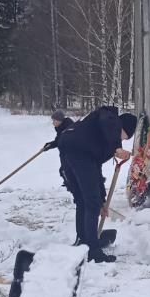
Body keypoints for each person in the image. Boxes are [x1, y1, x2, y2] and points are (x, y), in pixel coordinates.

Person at [58, 106, 136, 263]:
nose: (122, 140)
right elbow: (108, 122)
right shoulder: (109, 117)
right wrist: (117, 146)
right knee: (90, 203)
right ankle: (93, 251)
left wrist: (102, 201)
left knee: (83, 200)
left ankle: (83, 241)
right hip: (77, 150)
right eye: (124, 136)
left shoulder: (101, 139)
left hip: (69, 147)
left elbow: (95, 170)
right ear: (121, 126)